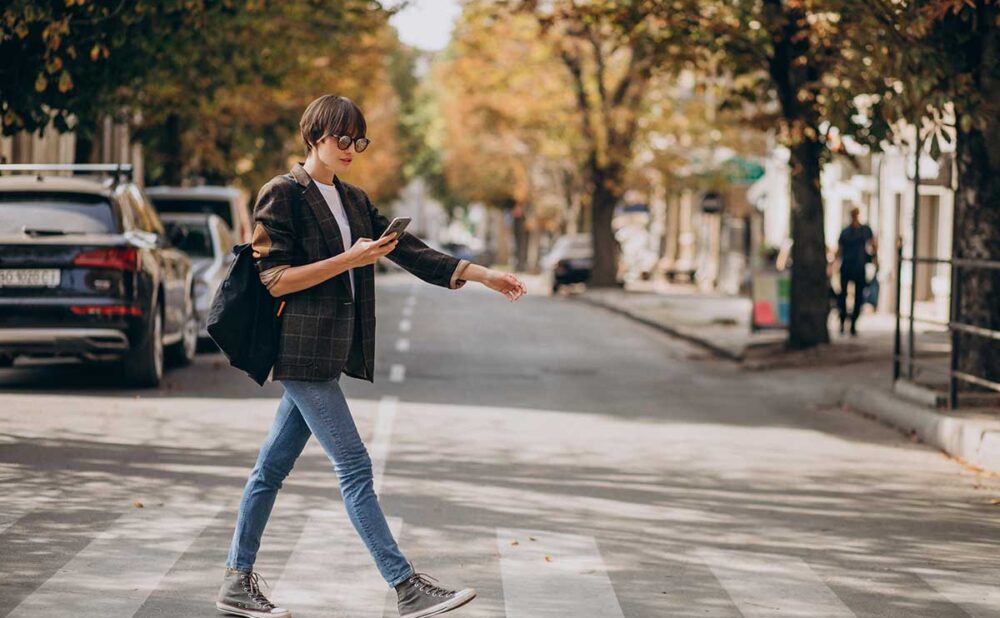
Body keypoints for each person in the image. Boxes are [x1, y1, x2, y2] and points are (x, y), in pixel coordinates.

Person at [216, 95, 527, 618]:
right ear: (315, 134)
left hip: (327, 353)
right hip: (300, 354)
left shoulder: (355, 200)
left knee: (269, 471)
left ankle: (234, 581)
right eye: (343, 139)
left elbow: (412, 252)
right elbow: (274, 280)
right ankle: (405, 586)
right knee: (356, 468)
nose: (351, 150)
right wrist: (348, 259)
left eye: (359, 141)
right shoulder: (281, 194)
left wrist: (481, 274)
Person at [834, 206, 877, 336]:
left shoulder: (865, 230)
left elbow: (873, 244)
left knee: (859, 297)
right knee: (843, 296)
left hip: (859, 267)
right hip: (847, 266)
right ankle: (842, 322)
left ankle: (853, 323)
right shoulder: (845, 232)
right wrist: (834, 266)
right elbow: (839, 250)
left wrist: (875, 259)